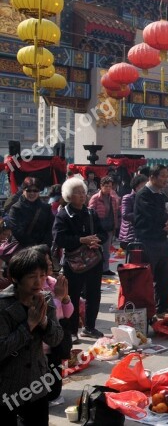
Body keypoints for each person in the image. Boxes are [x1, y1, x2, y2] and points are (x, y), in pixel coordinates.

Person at [0, 247, 63, 424]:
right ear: (16, 278)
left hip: (36, 383)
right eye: (32, 277)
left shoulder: (45, 300)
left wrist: (43, 322)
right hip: (6, 385)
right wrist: (28, 325)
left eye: (42, 275)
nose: (38, 282)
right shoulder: (3, 306)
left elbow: (56, 338)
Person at [53, 177, 107, 340]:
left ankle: (90, 327)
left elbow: (103, 233)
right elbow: (59, 239)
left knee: (94, 294)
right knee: (73, 296)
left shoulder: (91, 212)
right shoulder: (63, 215)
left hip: (93, 261)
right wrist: (80, 240)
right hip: (73, 263)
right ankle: (72, 330)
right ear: (69, 196)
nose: (82, 196)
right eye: (77, 193)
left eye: (83, 192)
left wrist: (97, 240)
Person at [134, 165, 168, 316]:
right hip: (147, 240)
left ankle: (162, 308)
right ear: (152, 177)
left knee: (165, 276)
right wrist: (166, 218)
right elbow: (154, 215)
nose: (166, 179)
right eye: (163, 176)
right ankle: (148, 312)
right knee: (147, 278)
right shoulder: (143, 194)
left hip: (161, 240)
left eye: (166, 175)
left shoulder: (161, 195)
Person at [42, 248, 71, 406]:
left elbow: (68, 313)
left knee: (55, 385)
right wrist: (59, 298)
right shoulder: (36, 288)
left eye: (49, 262)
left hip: (57, 337)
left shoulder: (53, 283)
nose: (50, 266)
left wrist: (65, 298)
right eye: (46, 263)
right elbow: (46, 314)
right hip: (42, 342)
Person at [8, 177, 53, 249]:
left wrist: (44, 246)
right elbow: (17, 231)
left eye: (35, 190)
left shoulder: (46, 208)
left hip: (42, 249)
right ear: (23, 191)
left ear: (39, 191)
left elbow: (50, 230)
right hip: (22, 249)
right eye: (28, 190)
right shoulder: (16, 208)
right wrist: (32, 246)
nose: (32, 193)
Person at [88, 176, 120, 276]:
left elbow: (115, 213)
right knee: (95, 249)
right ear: (101, 186)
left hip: (109, 227)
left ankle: (105, 269)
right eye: (106, 186)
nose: (108, 188)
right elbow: (90, 212)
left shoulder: (113, 199)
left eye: (110, 186)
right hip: (98, 227)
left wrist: (115, 226)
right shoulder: (95, 198)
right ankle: (94, 268)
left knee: (106, 250)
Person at [118, 174, 147, 251]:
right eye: (143, 186)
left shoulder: (145, 197)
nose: (145, 188)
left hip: (142, 234)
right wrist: (142, 215)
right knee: (132, 260)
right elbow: (125, 215)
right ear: (136, 186)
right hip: (130, 235)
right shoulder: (128, 197)